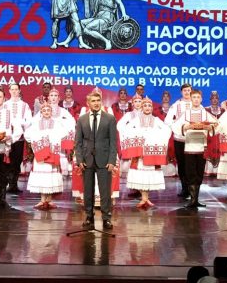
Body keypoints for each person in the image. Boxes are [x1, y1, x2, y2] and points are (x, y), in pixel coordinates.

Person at [75, 91, 118, 230]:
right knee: (88, 191)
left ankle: (106, 218)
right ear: (88, 103)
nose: (96, 103)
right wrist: (79, 159)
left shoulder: (109, 119)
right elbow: (78, 142)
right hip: (87, 160)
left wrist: (112, 160)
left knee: (105, 191)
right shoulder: (82, 119)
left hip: (104, 160)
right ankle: (89, 216)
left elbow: (113, 142)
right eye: (93, 101)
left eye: (98, 100)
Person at [120, 98, 172, 209]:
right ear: (142, 108)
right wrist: (135, 140)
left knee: (149, 174)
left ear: (152, 108)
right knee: (140, 174)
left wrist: (157, 138)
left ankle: (145, 198)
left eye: (149, 106)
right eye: (145, 106)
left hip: (151, 152)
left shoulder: (156, 120)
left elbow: (167, 130)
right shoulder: (136, 120)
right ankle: (144, 198)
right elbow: (125, 129)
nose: (147, 108)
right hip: (139, 152)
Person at [173, 90, 217, 208]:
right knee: (190, 172)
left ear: (201, 99)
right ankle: (192, 199)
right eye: (194, 97)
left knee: (199, 172)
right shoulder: (186, 113)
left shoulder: (205, 113)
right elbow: (175, 126)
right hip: (189, 146)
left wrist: (209, 127)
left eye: (198, 97)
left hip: (202, 146)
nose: (196, 99)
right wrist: (186, 126)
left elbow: (217, 124)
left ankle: (196, 199)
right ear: (191, 99)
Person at [24, 103, 69, 210]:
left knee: (51, 176)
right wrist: (40, 140)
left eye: (48, 110)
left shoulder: (57, 123)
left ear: (51, 112)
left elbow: (64, 134)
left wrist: (52, 138)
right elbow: (27, 135)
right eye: (44, 111)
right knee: (42, 176)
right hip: (41, 153)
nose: (46, 112)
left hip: (52, 152)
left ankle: (49, 200)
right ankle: (42, 200)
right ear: (41, 112)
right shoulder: (36, 124)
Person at [165, 83, 194, 199]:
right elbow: (167, 121)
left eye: (189, 90)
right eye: (185, 90)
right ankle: (184, 188)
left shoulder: (196, 104)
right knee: (181, 164)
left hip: (193, 139)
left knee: (191, 164)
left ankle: (193, 189)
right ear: (181, 92)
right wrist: (177, 127)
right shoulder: (176, 105)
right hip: (179, 139)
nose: (187, 92)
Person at [4, 83, 32, 194]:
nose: (14, 91)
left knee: (17, 160)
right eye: (12, 89)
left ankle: (14, 184)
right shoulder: (5, 105)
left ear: (19, 90)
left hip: (19, 137)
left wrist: (20, 124)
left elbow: (29, 120)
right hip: (7, 136)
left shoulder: (24, 105)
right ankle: (9, 183)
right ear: (9, 91)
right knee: (8, 160)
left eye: (16, 89)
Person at [204, 91, 224, 177]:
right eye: (213, 98)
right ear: (210, 100)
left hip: (219, 134)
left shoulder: (223, 110)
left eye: (216, 98)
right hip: (210, 134)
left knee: (219, 149)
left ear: (218, 100)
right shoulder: (206, 110)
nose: (215, 100)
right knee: (210, 148)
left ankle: (218, 171)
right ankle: (209, 170)